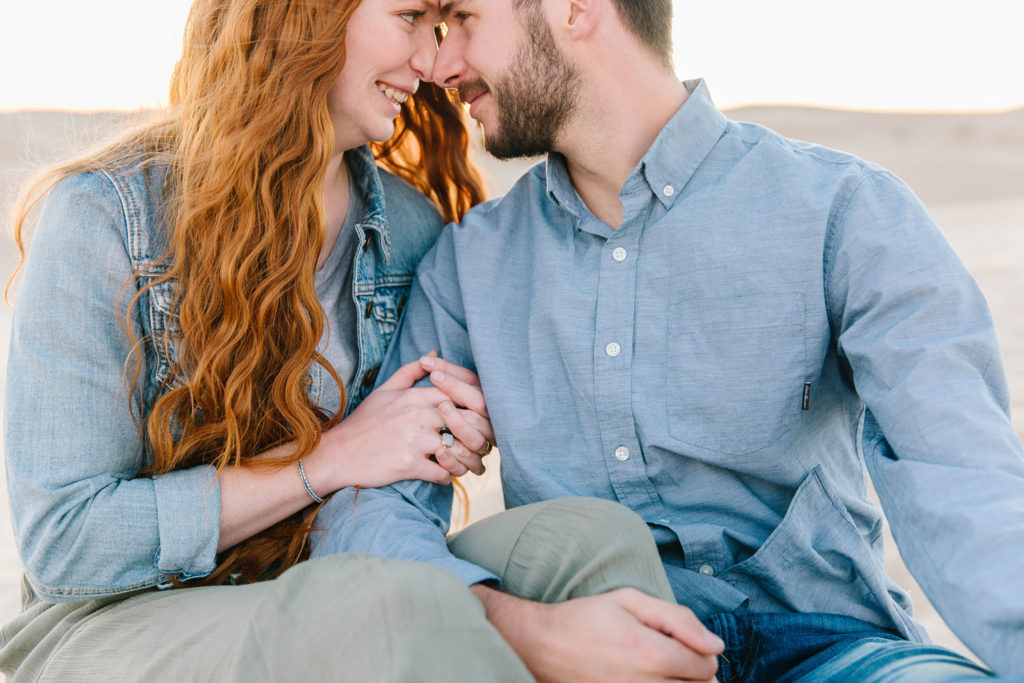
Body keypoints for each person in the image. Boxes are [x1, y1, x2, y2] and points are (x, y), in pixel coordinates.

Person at [312, 0, 1024, 679]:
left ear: (574, 9)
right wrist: (514, 625)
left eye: (464, 19)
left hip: (838, 650)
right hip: (591, 662)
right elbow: (372, 510)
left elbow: (960, 472)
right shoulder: (469, 266)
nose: (440, 66)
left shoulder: (843, 211)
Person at [0, 0, 592, 679]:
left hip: (328, 581)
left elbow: (391, 506)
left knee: (583, 545)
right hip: (112, 615)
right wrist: (329, 458)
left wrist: (451, 425)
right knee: (392, 608)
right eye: (408, 19)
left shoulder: (410, 230)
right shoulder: (106, 220)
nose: (430, 64)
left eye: (435, 29)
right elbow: (67, 544)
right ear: (308, 14)